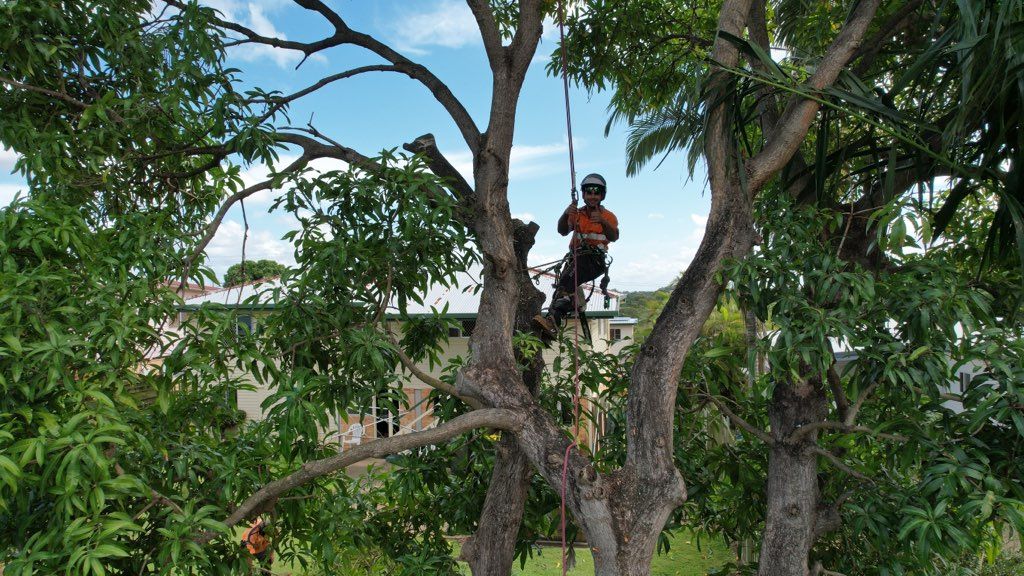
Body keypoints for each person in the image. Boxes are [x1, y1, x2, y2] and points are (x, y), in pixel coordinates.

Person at [533, 173, 619, 337]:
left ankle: (553, 321)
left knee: (565, 284)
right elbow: (562, 231)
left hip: (594, 260)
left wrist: (602, 221)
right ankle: (551, 325)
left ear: (602, 195)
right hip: (576, 258)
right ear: (584, 194)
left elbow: (614, 236)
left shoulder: (608, 216)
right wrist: (565, 214)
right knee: (561, 290)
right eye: (589, 192)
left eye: (596, 192)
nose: (592, 196)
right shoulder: (577, 213)